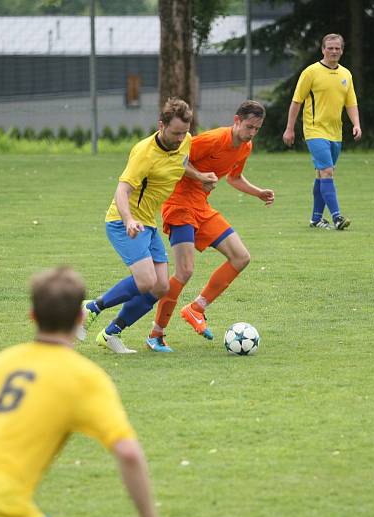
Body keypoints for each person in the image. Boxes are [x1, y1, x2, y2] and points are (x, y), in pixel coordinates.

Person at [0, 266, 160, 517]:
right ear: (80, 316)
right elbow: (129, 452)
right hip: (2, 516)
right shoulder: (83, 378)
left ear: (32, 316)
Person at [78, 97, 216, 353]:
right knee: (145, 281)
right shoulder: (144, 153)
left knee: (161, 287)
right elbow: (122, 190)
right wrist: (129, 219)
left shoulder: (184, 141)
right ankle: (91, 308)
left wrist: (200, 177)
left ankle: (111, 333)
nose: (180, 138)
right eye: (175, 132)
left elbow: (182, 162)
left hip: (148, 223)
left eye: (184, 132)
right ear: (160, 125)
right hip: (123, 221)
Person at [146, 100, 275, 351]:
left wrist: (257, 192)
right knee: (184, 271)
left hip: (201, 208)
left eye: (257, 129)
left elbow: (234, 178)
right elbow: (177, 159)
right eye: (249, 127)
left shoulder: (245, 147)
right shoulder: (214, 139)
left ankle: (196, 308)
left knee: (241, 257)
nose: (252, 133)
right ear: (236, 121)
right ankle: (156, 334)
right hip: (179, 204)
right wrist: (200, 176)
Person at [282, 33, 362, 231]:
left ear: (342, 51)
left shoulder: (346, 74)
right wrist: (289, 129)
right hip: (314, 130)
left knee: (322, 174)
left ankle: (316, 219)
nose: (333, 51)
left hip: (336, 132)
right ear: (323, 49)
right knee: (327, 172)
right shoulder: (311, 72)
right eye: (330, 48)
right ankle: (337, 217)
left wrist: (356, 124)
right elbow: (296, 102)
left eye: (337, 48)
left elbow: (351, 103)